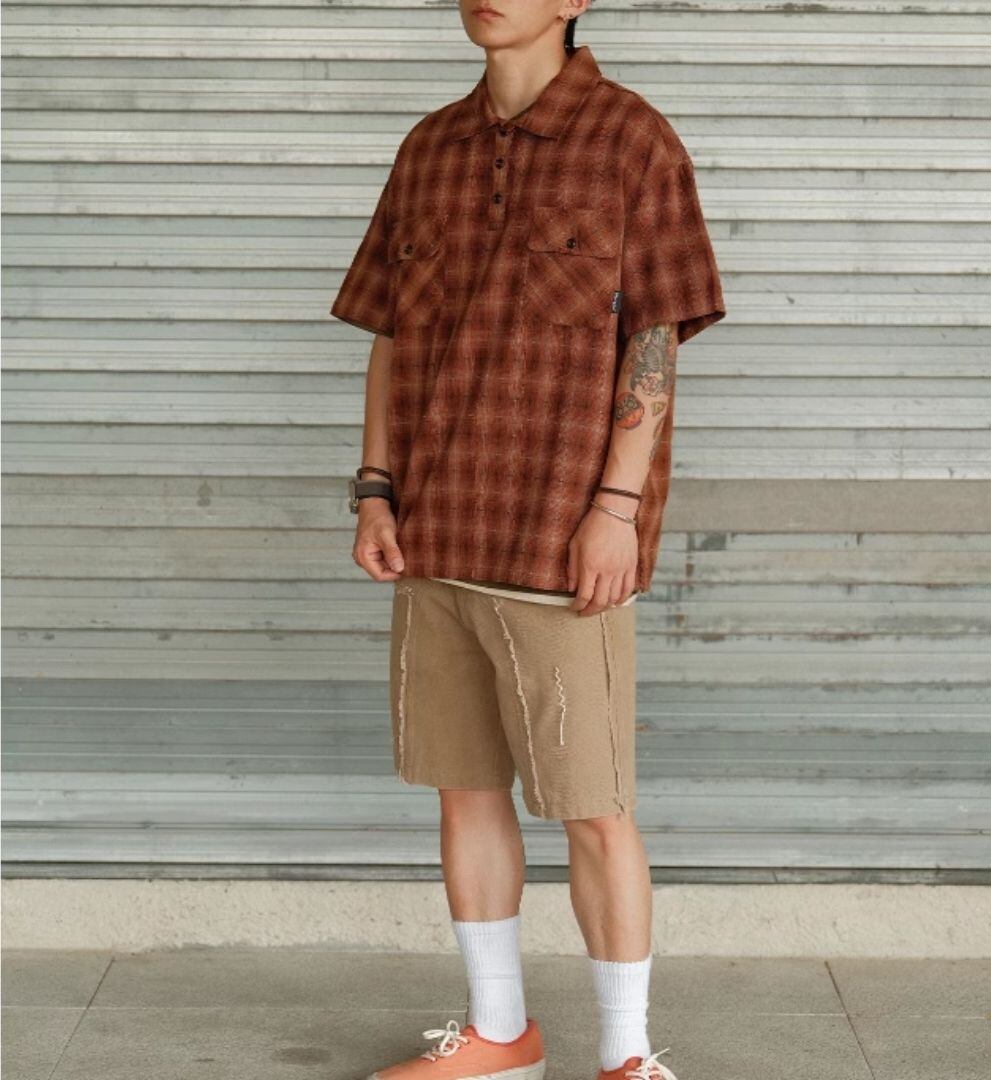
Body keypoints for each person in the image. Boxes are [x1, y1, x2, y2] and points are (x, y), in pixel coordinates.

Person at [330, 3, 726, 1077]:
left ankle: (628, 1056)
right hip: (436, 535)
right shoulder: (430, 148)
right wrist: (375, 489)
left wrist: (617, 509)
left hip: (560, 543)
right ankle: (500, 1032)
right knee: (464, 791)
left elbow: (655, 337)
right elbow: (389, 335)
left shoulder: (631, 139)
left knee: (594, 808)